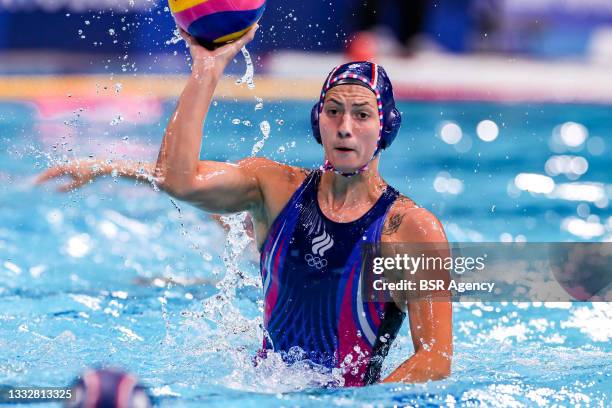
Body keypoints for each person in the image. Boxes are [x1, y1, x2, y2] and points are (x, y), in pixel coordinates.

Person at [150, 25, 452, 386]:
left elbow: (435, 359)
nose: (344, 127)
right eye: (333, 111)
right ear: (317, 121)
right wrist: (207, 67)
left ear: (385, 127)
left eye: (362, 115)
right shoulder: (273, 188)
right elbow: (177, 180)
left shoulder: (409, 228)